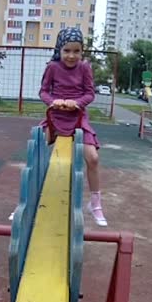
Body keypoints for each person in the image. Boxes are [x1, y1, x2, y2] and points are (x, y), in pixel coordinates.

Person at [40, 27, 107, 227]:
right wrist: (54, 101)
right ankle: (28, 199)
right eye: (67, 51)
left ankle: (95, 204)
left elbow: (90, 94)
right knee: (37, 150)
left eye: (76, 51)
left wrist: (76, 103)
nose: (71, 56)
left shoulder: (85, 67)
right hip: (56, 116)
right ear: (60, 50)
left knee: (93, 158)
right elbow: (43, 92)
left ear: (82, 52)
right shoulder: (52, 67)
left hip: (77, 118)